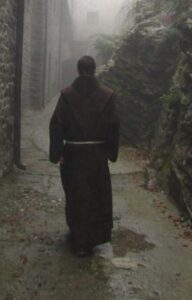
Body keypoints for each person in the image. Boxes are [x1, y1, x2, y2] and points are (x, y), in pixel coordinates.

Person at [49, 56, 120, 257]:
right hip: (97, 156)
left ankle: (80, 239)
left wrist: (58, 153)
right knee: (97, 195)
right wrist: (110, 152)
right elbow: (114, 126)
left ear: (78, 70)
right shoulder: (108, 96)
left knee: (77, 195)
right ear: (94, 70)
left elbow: (56, 125)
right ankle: (96, 237)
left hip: (73, 155)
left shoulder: (66, 95)